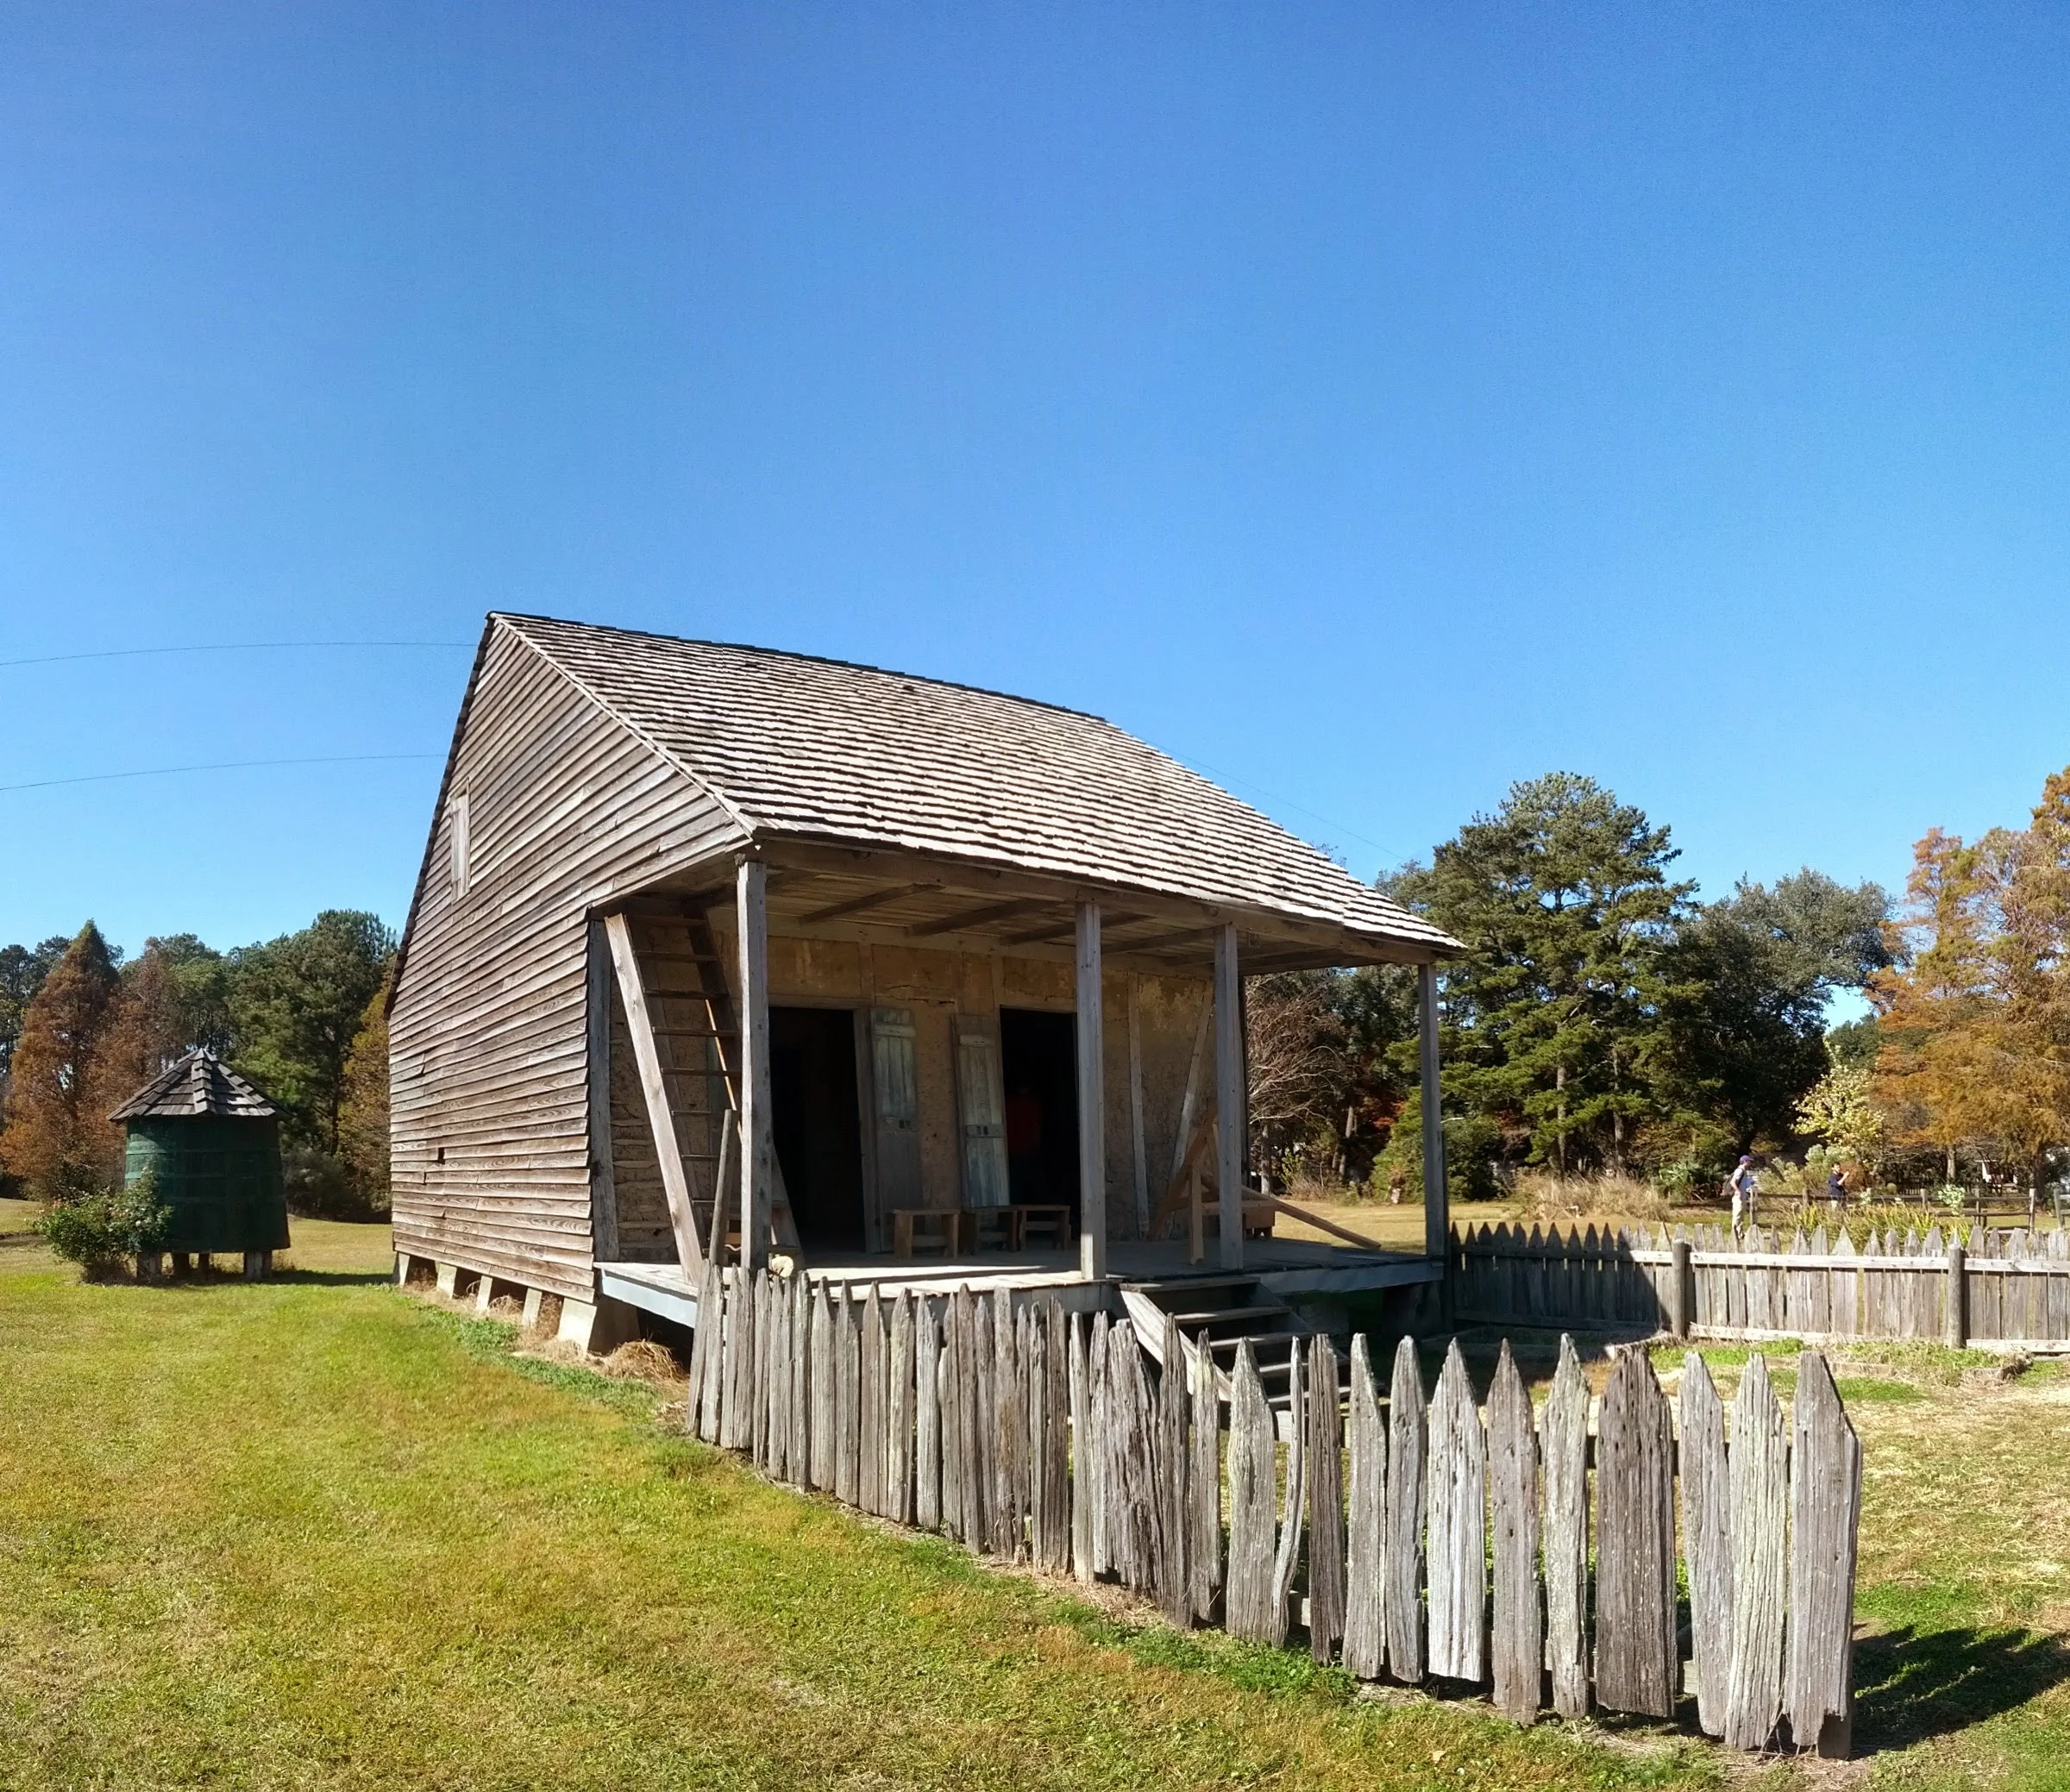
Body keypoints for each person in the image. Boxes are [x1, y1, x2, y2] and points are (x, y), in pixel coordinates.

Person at [1728, 1155, 1759, 1231]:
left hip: (1742, 1196)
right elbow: (1733, 1182)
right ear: (1745, 1161)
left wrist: (1750, 1182)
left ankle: (1739, 1233)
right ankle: (1734, 1233)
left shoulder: (1743, 1171)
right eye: (1749, 1161)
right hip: (1738, 1196)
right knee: (1737, 1215)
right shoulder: (1740, 1170)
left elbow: (1743, 1184)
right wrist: (1739, 1192)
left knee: (1741, 1216)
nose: (1750, 1163)